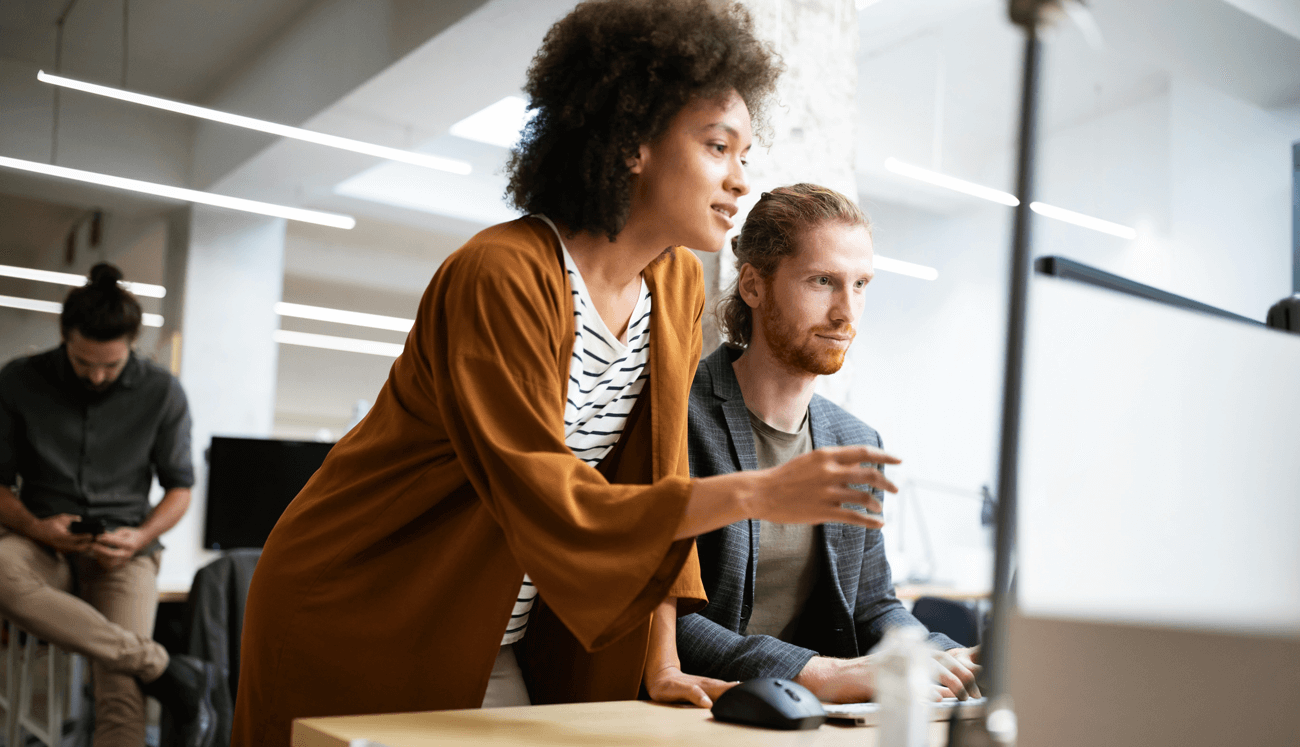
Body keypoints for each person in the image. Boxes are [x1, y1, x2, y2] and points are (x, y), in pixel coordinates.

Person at [233, 2, 905, 744]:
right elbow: (547, 497)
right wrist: (755, 491)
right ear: (632, 143)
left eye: (745, 155)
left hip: (500, 619)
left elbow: (652, 482)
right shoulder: (501, 274)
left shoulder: (676, 285)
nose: (739, 180)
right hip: (371, 602)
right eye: (718, 147)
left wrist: (662, 660)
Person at [670, 184, 982, 704]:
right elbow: (668, 621)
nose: (846, 312)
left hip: (807, 720)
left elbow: (873, 606)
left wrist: (941, 656)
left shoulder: (853, 440)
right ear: (753, 284)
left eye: (860, 284)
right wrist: (817, 672)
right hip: (706, 709)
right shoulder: (677, 418)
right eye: (822, 281)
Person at [0, 263, 222, 747]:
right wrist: (38, 529)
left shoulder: (162, 392)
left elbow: (180, 487)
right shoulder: (19, 381)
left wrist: (140, 537)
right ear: (64, 337)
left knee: (119, 689)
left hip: (123, 551)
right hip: (42, 542)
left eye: (111, 365)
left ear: (132, 345)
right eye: (84, 363)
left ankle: (142, 667)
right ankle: (162, 665)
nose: (97, 376)